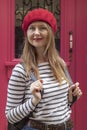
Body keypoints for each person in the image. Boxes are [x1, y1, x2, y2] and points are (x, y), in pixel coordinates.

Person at [5, 8, 82, 130]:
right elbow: (10, 116)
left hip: (66, 126)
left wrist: (71, 96)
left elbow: (61, 105)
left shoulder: (59, 63)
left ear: (50, 32)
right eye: (32, 28)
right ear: (27, 34)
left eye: (42, 28)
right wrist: (34, 100)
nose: (36, 32)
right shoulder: (21, 71)